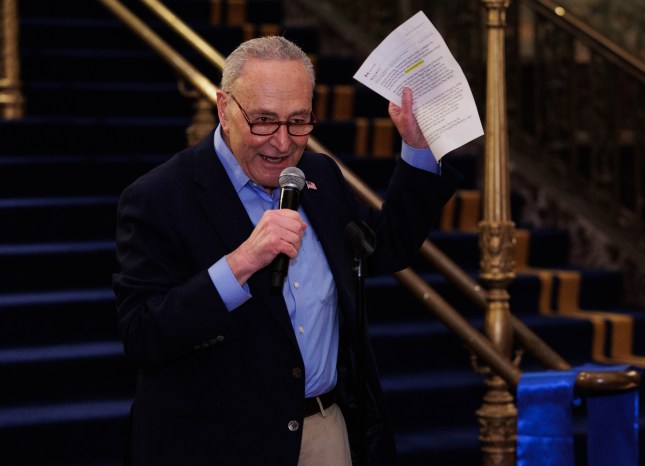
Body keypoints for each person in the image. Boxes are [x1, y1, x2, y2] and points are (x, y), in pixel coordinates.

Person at [113, 35, 461, 466]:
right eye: (263, 120)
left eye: (298, 121)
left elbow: (384, 248)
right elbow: (142, 336)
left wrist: (419, 148)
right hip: (217, 445)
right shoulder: (159, 197)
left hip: (323, 429)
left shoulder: (317, 175)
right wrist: (240, 264)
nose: (281, 143)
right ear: (223, 107)